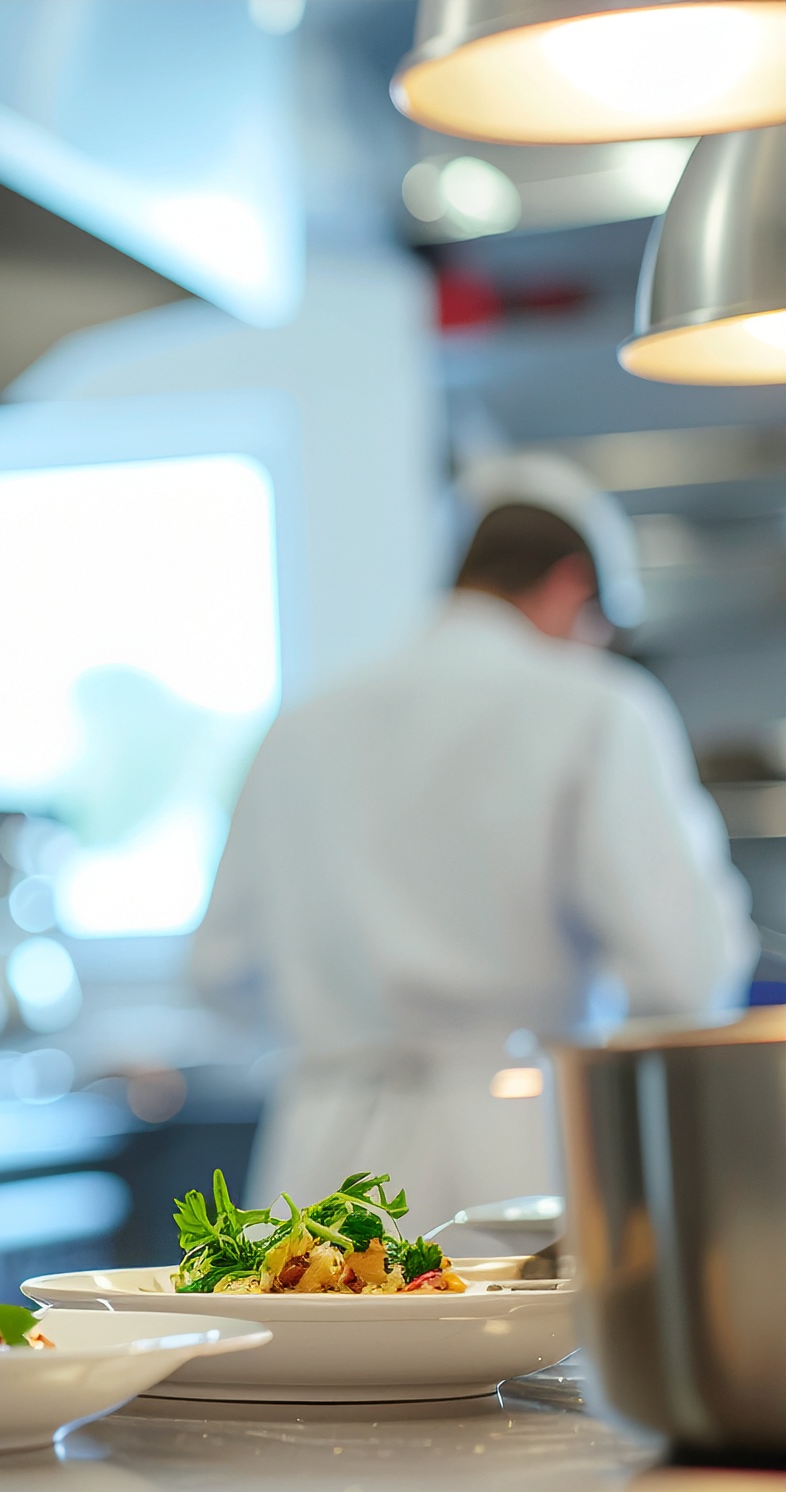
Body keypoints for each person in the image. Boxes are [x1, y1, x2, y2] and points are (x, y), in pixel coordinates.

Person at [192, 452, 754, 1232]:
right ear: (570, 586)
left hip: (315, 1168)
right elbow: (684, 973)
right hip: (515, 1154)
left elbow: (217, 972)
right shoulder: (596, 707)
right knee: (525, 1359)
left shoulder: (300, 725)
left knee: (317, 1350)